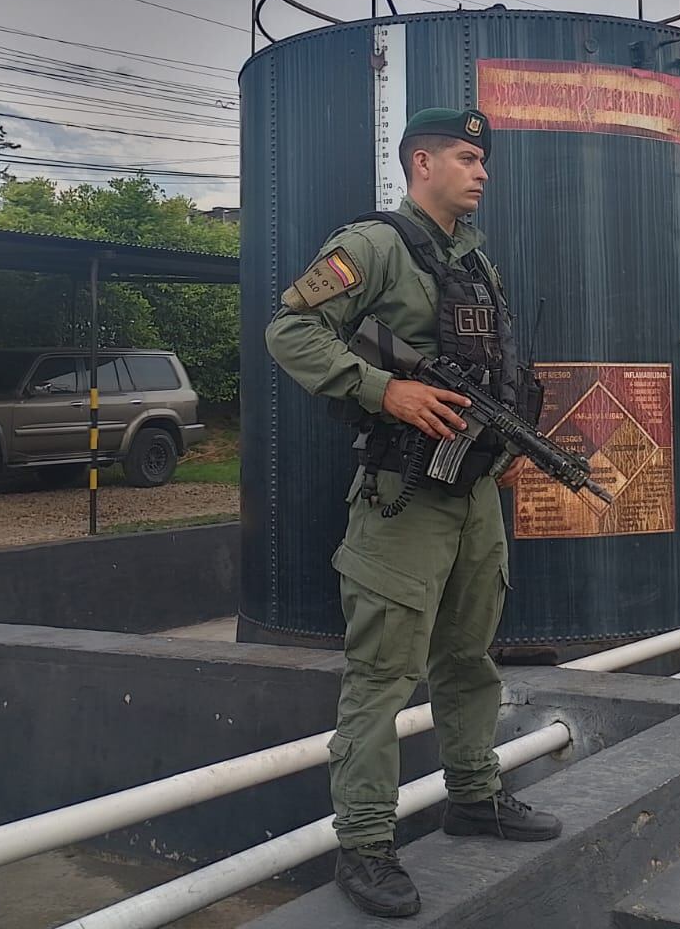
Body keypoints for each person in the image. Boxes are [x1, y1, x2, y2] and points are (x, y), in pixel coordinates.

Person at [265, 107, 560, 919]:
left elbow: (492, 370)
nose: (482, 172)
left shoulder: (478, 262)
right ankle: (364, 845)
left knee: (469, 657)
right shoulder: (372, 246)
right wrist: (382, 388)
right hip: (402, 500)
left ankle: (475, 795)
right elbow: (289, 331)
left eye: (483, 159)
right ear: (421, 162)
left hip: (471, 497)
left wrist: (505, 443)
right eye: (466, 157)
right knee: (383, 676)